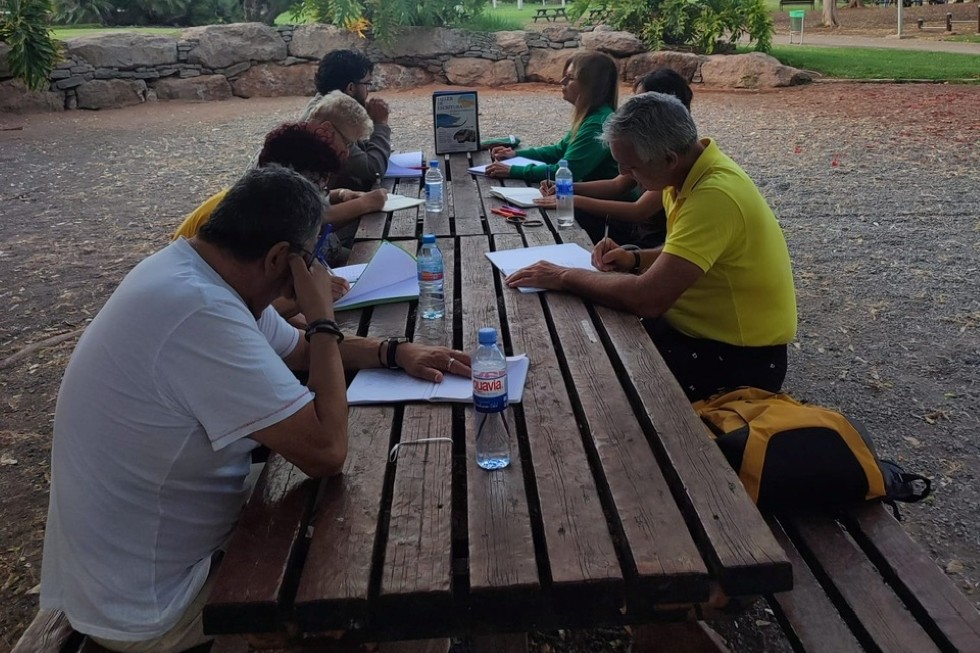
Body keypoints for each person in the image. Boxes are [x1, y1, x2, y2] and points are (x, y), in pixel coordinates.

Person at [40, 166, 472, 653]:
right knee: (399, 601)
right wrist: (323, 319)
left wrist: (394, 352)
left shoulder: (192, 272)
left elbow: (300, 350)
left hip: (133, 558)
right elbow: (327, 450)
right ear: (278, 259)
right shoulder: (202, 313)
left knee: (368, 510)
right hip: (153, 602)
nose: (313, 273)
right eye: (307, 262)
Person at [505, 92, 797, 402]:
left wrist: (564, 276)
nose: (626, 177)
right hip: (698, 334)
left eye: (631, 168)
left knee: (593, 382)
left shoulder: (714, 195)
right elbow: (691, 256)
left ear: (669, 158)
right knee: (585, 345)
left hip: (736, 360)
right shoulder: (687, 173)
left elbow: (647, 299)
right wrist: (634, 259)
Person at [173, 120, 352, 303]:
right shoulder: (240, 218)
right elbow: (243, 301)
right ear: (290, 181)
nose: (317, 200)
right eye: (315, 189)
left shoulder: (262, 203)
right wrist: (311, 302)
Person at [534, 68, 694, 247]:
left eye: (642, 101)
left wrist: (571, 199)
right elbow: (617, 184)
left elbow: (639, 210)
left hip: (650, 239)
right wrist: (565, 188)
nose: (633, 108)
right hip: (638, 232)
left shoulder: (668, 156)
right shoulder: (641, 141)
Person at [484, 51, 620, 185]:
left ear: (590, 84)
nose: (562, 81)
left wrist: (513, 170)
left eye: (570, 77)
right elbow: (559, 151)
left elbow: (567, 172)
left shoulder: (597, 124)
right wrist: (516, 155)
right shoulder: (594, 115)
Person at [302, 49, 392, 192]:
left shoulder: (322, 101)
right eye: (367, 84)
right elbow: (373, 169)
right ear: (351, 88)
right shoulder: (330, 117)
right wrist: (380, 124)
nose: (368, 92)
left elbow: (359, 149)